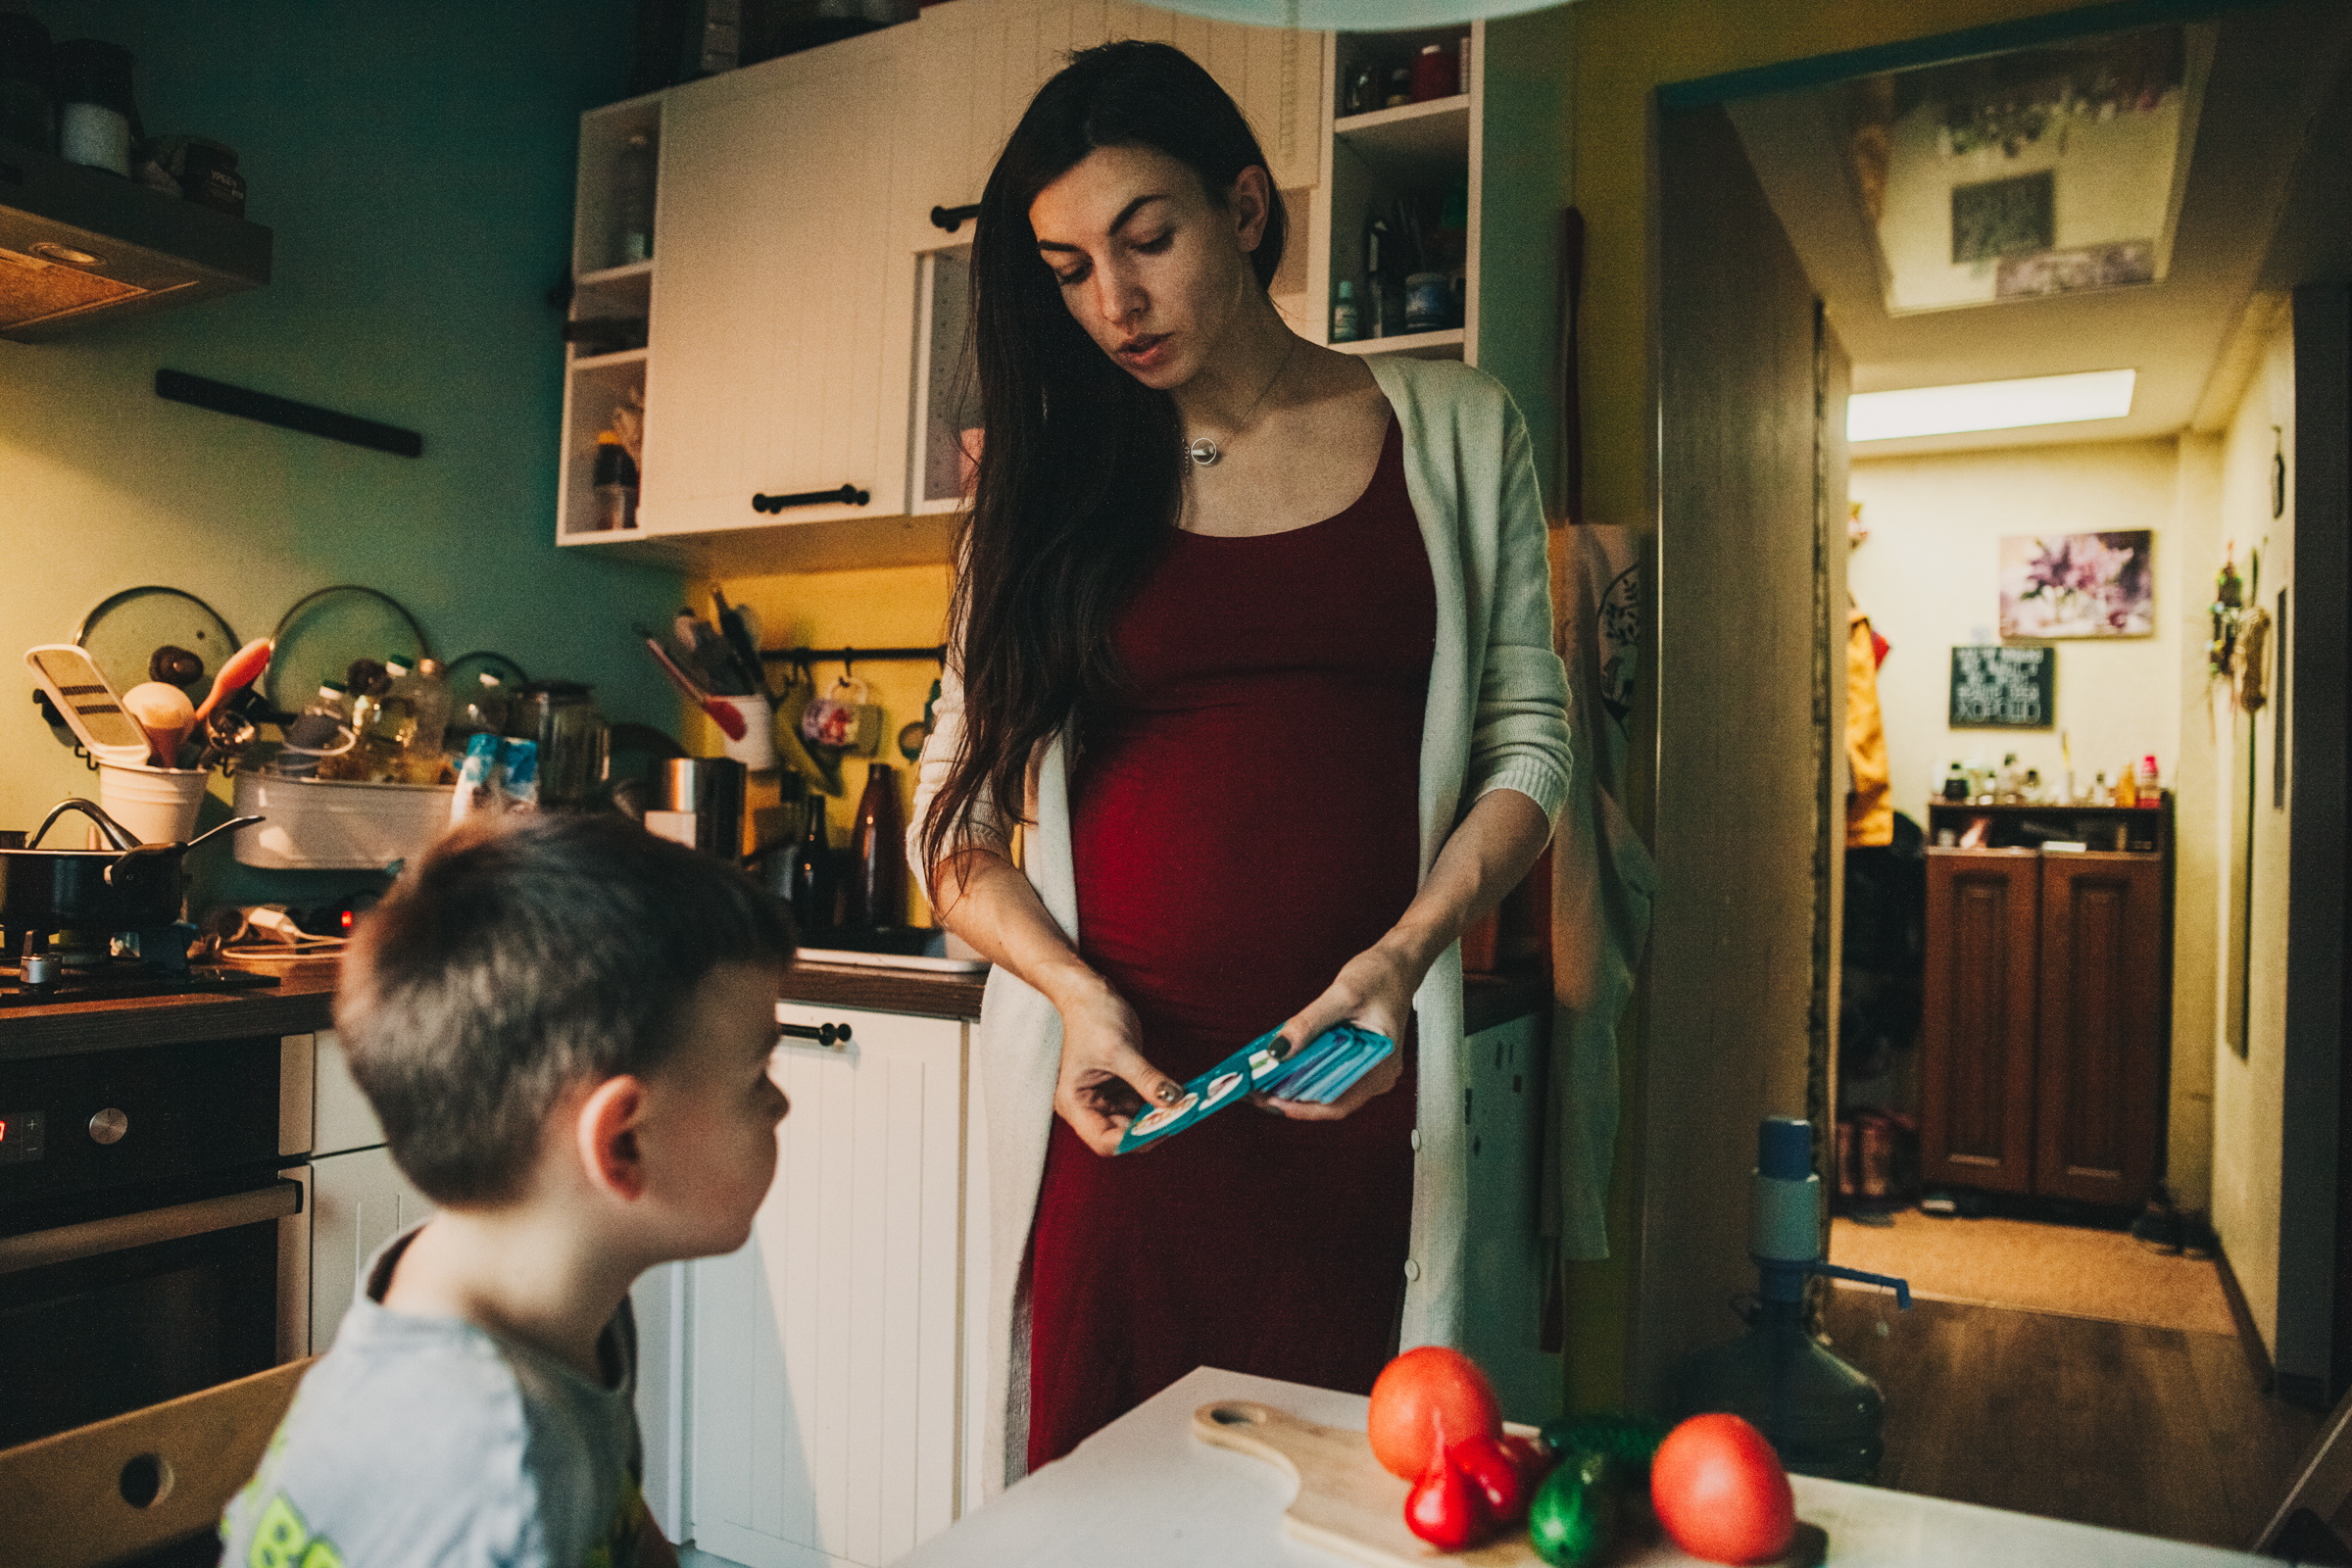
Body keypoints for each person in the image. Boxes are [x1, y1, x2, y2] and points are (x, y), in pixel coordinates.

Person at [907, 40, 1573, 1483]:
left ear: (1248, 208)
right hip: (1123, 1118)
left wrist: (1401, 960)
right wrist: (1075, 997)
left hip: (1367, 1090)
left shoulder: (1455, 429)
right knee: (1104, 1507)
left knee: (1359, 1498)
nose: (1114, 303)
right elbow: (946, 827)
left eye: (1147, 238)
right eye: (1070, 266)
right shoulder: (1042, 484)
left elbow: (1531, 739)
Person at [218, 814, 794, 1568]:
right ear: (621, 1141)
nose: (780, 1106)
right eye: (757, 1077)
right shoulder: (495, 1475)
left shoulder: (524, 1298)